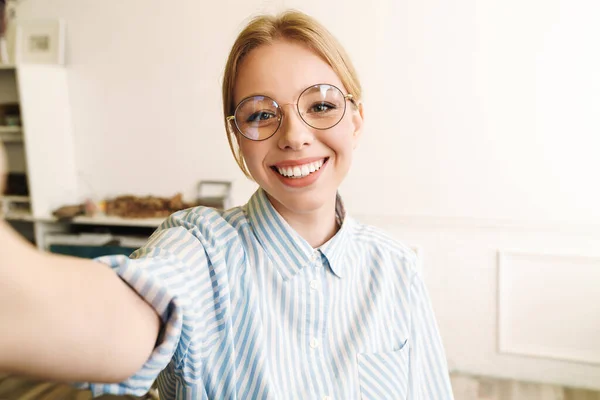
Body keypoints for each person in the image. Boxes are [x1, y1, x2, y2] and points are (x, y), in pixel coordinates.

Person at [0, 10, 454, 400]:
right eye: (261, 113)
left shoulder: (396, 269)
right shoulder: (202, 250)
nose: (294, 135)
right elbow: (118, 320)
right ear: (238, 137)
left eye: (319, 105)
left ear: (355, 121)